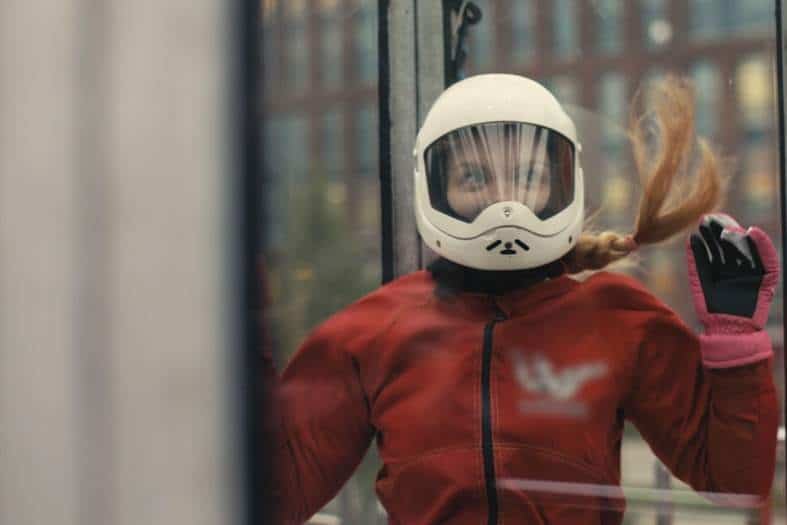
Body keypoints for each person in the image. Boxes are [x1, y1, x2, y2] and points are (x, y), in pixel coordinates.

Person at [263, 74, 779, 524]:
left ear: (562, 183)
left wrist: (736, 349)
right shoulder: (373, 333)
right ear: (433, 186)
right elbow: (274, 497)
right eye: (474, 177)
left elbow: (733, 481)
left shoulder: (617, 319)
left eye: (528, 176)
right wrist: (241, 324)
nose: (504, 202)